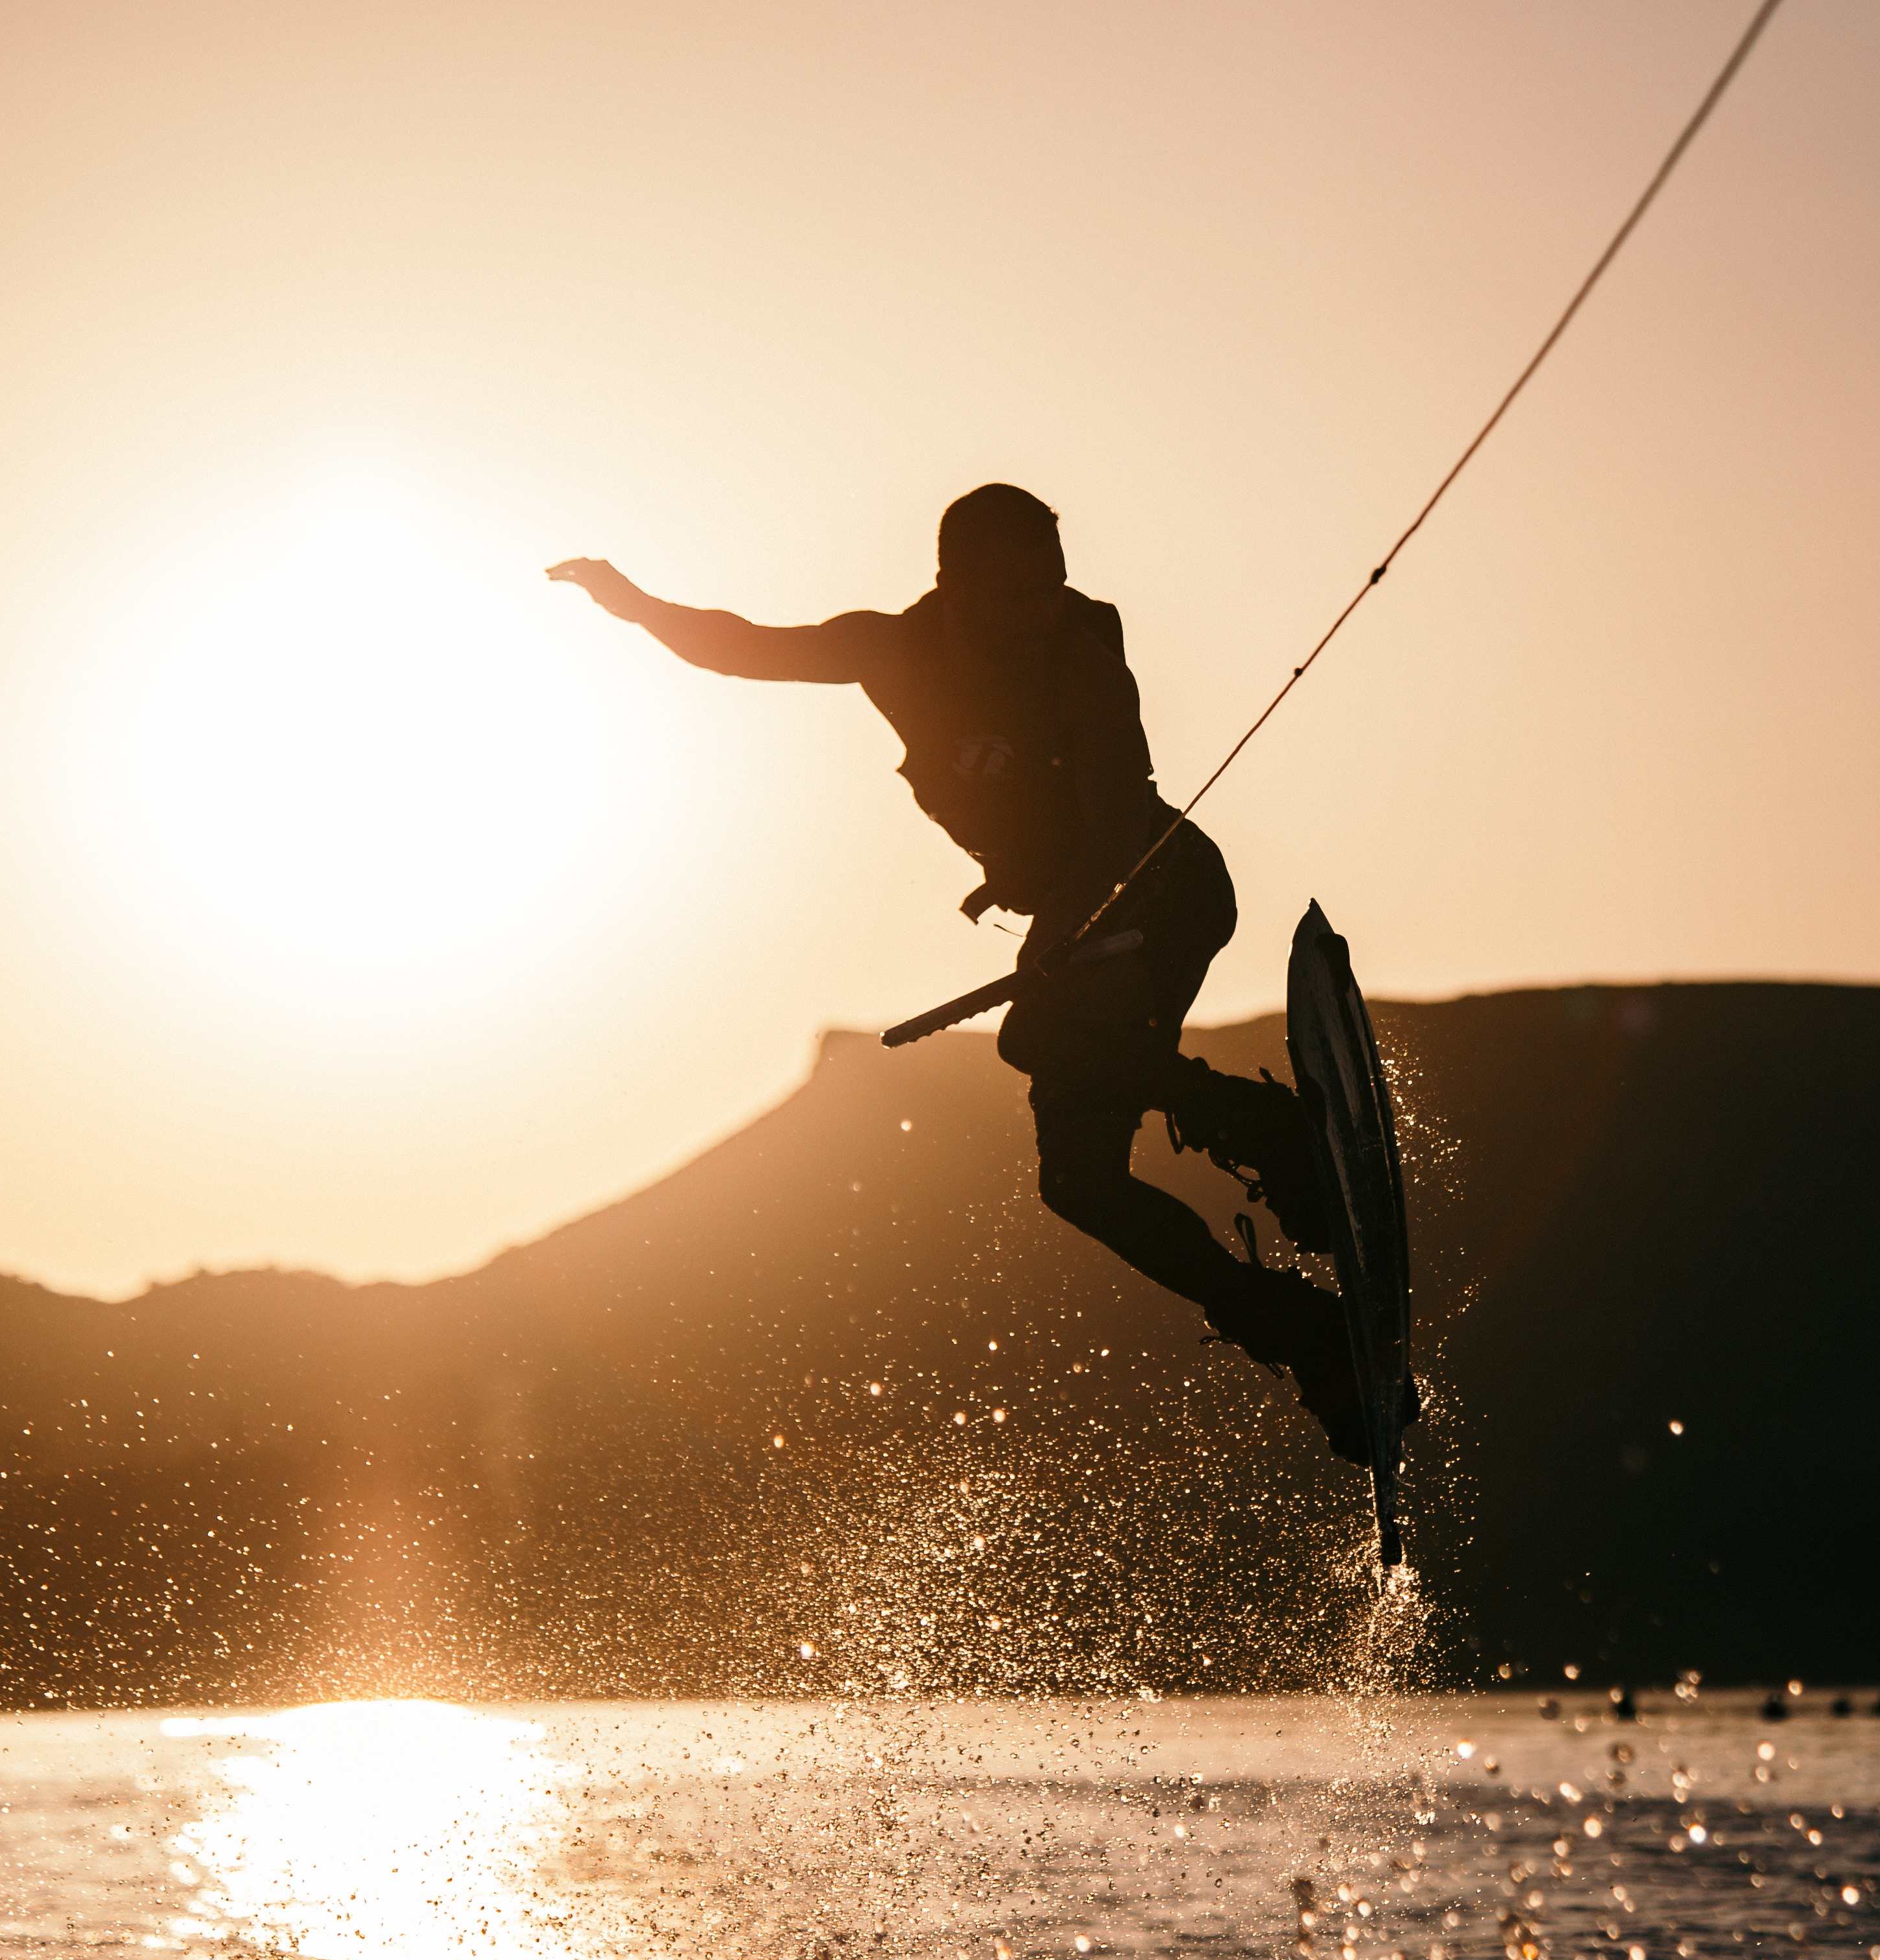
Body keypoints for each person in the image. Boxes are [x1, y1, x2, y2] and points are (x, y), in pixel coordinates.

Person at [549, 483, 1404, 1462]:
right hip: (1081, 926)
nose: (1043, 610)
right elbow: (748, 646)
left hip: (1162, 894)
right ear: (953, 587)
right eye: (1019, 594)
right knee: (1078, 1183)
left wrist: (1059, 929)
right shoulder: (891, 652)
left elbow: (1118, 799)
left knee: (1042, 1039)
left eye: (1054, 587)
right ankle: (1305, 1334)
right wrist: (632, 602)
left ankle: (1275, 1137)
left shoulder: (1081, 651)